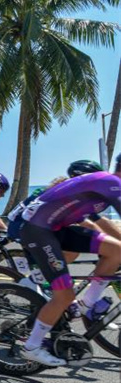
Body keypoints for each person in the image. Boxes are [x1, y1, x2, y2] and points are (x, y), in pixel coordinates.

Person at [17, 155, 121, 366]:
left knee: (117, 249)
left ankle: (87, 304)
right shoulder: (112, 183)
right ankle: (32, 346)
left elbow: (100, 224)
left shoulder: (108, 184)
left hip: (58, 228)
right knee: (64, 296)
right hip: (38, 230)